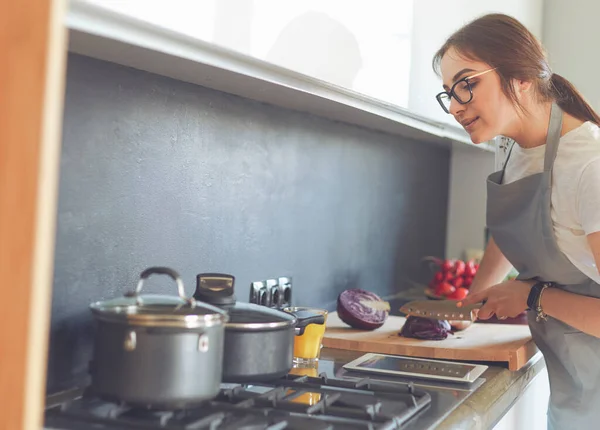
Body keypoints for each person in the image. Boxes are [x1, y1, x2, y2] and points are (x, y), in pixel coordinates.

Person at [433, 13, 600, 429]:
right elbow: (515, 230)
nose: (455, 106)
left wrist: (532, 297)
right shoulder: (511, 148)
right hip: (576, 396)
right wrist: (469, 303)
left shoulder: (590, 167)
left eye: (467, 85)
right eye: (449, 93)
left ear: (521, 77)